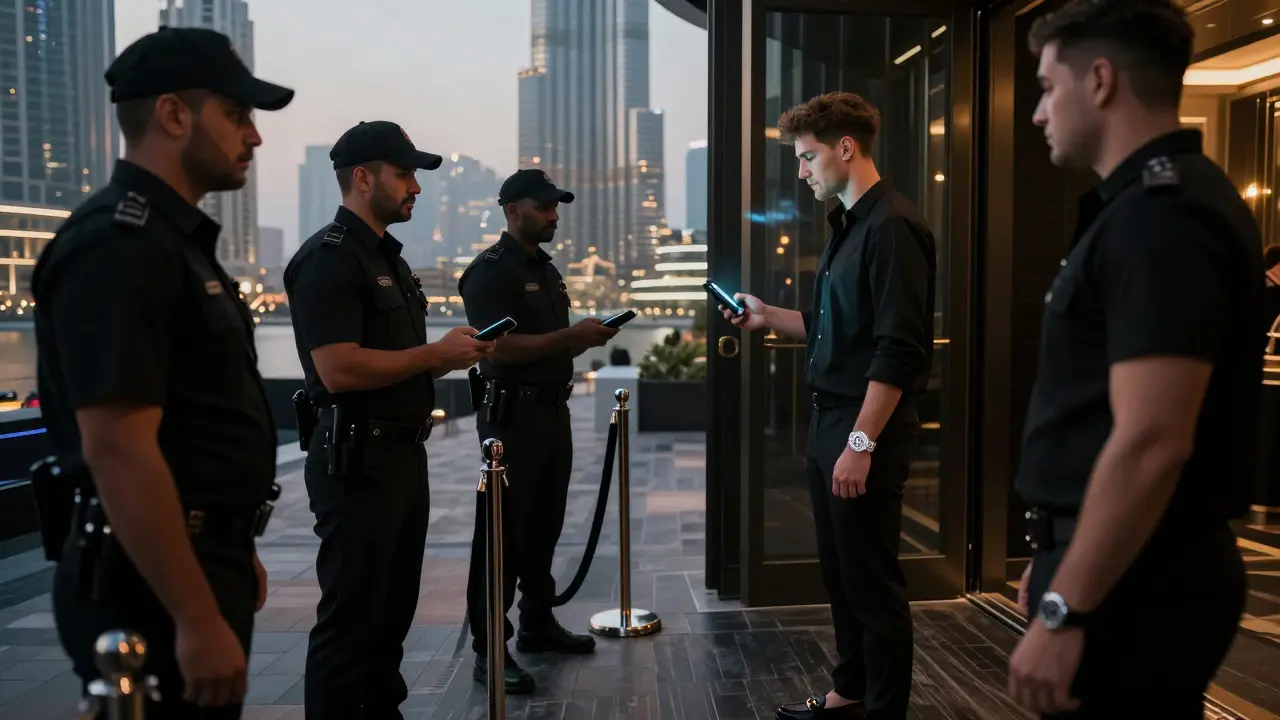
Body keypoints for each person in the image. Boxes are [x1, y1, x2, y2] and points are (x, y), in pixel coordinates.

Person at [1007, 1, 1266, 716]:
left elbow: (1152, 440)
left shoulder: (1163, 216)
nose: (1038, 112)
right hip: (1120, 562)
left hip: (1139, 581)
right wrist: (1057, 556)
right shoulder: (1145, 207)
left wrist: (1067, 605)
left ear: (1100, 80)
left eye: (1047, 87)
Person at [31, 27, 294, 718]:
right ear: (174, 115)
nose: (254, 136)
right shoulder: (118, 246)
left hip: (194, 557)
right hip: (143, 586)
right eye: (236, 114)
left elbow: (193, 422)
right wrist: (196, 616)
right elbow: (119, 449)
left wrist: (230, 546)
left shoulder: (173, 243)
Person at [722, 92, 936, 720]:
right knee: (843, 576)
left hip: (862, 425)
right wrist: (767, 316)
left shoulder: (893, 227)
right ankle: (850, 693)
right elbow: (831, 327)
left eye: (807, 156)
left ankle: (883, 711)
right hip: (831, 421)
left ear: (845, 148)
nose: (801, 171)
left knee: (872, 584)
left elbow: (899, 350)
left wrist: (860, 443)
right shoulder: (850, 225)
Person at [284, 120, 494, 718]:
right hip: (356, 462)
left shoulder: (389, 261)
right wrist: (435, 356)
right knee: (352, 622)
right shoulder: (328, 259)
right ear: (362, 178)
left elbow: (397, 359)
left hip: (400, 456)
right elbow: (338, 370)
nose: (415, 188)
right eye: (404, 175)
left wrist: (448, 354)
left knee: (391, 616)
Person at [457, 169, 619, 693]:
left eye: (556, 207)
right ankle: (489, 650)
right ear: (512, 210)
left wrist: (579, 337)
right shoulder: (489, 272)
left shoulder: (546, 271)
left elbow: (549, 340)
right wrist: (571, 337)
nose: (553, 216)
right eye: (544, 206)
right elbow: (496, 349)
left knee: (544, 526)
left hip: (551, 413)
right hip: (511, 419)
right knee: (501, 536)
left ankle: (536, 623)